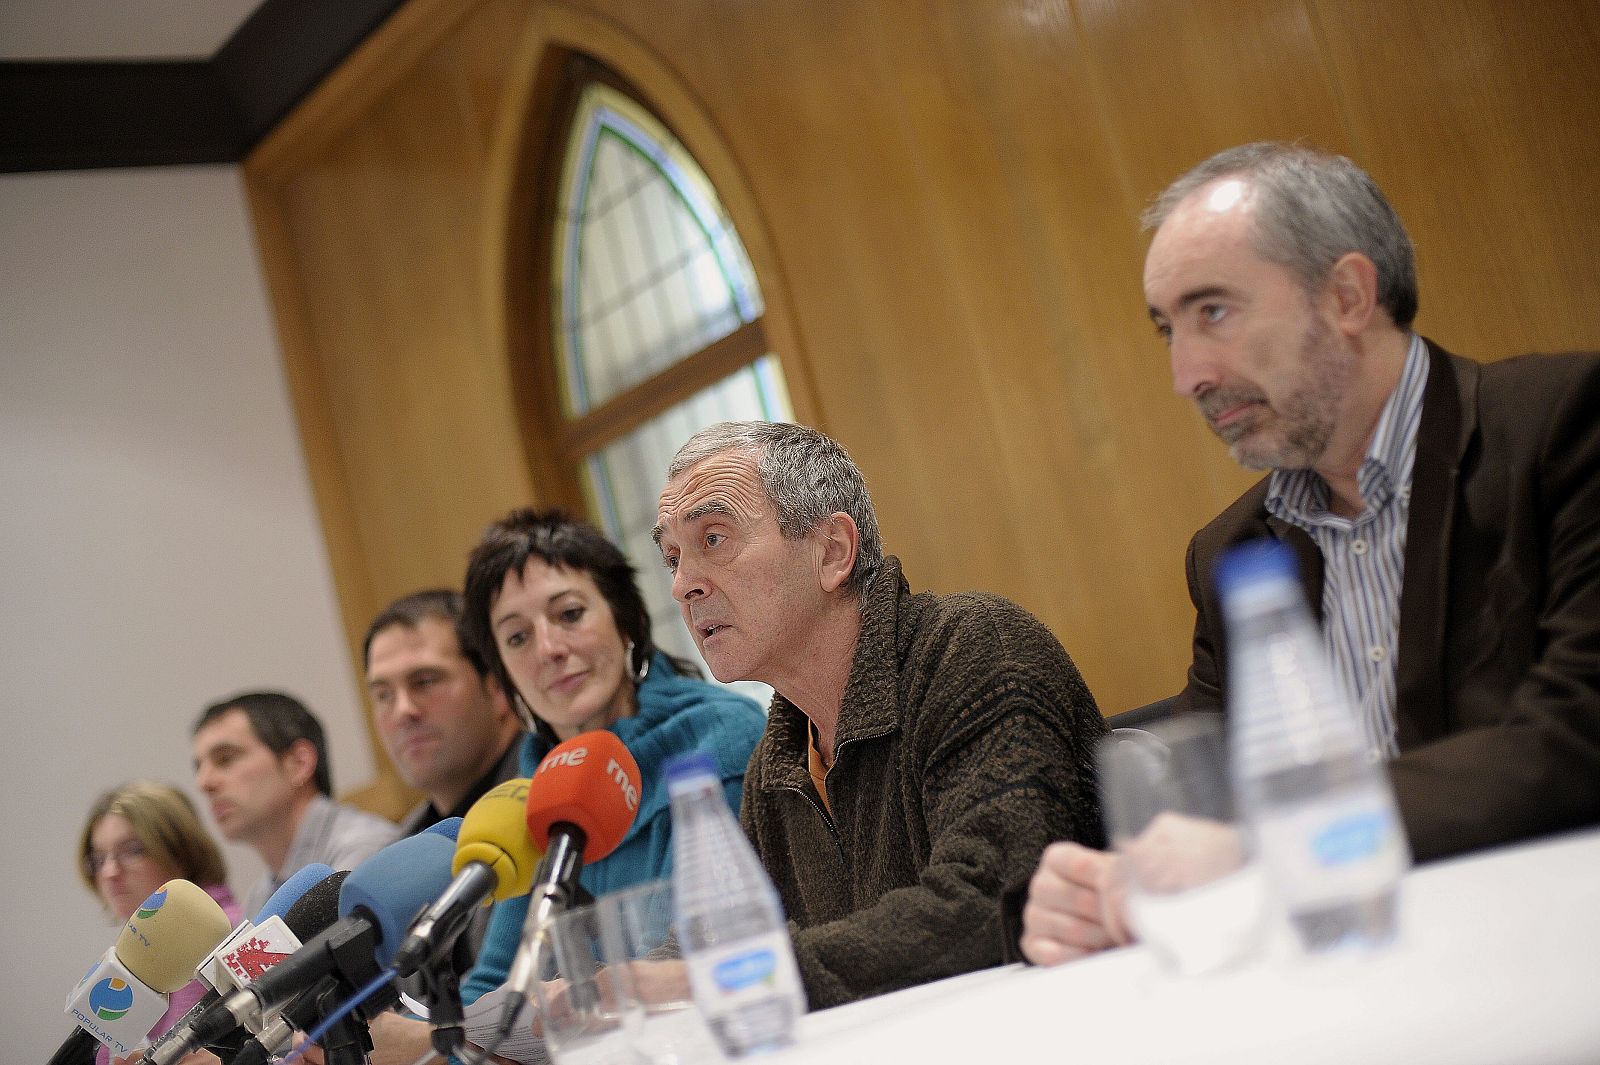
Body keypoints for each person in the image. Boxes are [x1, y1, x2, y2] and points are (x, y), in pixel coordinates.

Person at [1019, 141, 1600, 967]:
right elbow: (1207, 806)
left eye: (1212, 311)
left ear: (1347, 296)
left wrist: (1280, 839)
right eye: (1168, 329)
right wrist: (1109, 885)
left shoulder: (1564, 427)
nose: (1186, 374)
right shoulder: (1232, 551)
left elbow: (1579, 736)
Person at [653, 421, 1106, 1008]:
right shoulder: (780, 757)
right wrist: (602, 996)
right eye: (672, 558)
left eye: (713, 538)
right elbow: (715, 938)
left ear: (832, 553)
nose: (684, 586)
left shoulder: (976, 650)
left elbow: (988, 907)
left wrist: (724, 977)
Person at [362, 508, 767, 1065]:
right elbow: (495, 983)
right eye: (517, 637)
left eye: (570, 614)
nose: (549, 649)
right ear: (502, 674)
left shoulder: (717, 737)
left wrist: (432, 1043)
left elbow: (691, 953)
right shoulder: (530, 785)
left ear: (625, 619)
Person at [192, 691, 400, 916]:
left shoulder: (366, 851)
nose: (204, 783)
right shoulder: (259, 897)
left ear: (299, 763)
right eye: (199, 768)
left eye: (225, 759)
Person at [79, 780, 243, 1065]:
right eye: (97, 859)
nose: (109, 871)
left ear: (180, 852)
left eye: (131, 850)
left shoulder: (229, 936)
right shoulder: (131, 956)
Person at [363, 589, 523, 835]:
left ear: (498, 687)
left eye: (425, 682)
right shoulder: (404, 851)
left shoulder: (560, 803)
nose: (402, 711)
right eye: (384, 695)